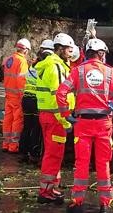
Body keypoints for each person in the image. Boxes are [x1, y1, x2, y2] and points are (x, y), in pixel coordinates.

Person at [57, 38, 113, 213]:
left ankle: (77, 202)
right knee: (103, 163)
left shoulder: (78, 71)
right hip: (103, 124)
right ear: (101, 53)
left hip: (82, 123)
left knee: (82, 163)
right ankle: (105, 203)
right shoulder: (110, 72)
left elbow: (61, 92)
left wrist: (66, 114)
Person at [35, 33, 77, 204]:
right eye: (68, 49)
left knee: (53, 154)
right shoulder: (55, 67)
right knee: (53, 155)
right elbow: (57, 96)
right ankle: (46, 192)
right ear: (59, 49)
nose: (70, 52)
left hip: (49, 116)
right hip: (56, 118)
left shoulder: (53, 64)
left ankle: (51, 187)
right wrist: (66, 120)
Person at [19, 39, 53, 163]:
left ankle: (22, 152)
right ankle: (34, 155)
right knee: (36, 129)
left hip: (26, 99)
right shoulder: (45, 67)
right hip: (37, 101)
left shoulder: (33, 65)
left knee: (26, 127)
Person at [1, 38, 32, 153]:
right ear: (26, 50)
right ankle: (13, 146)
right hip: (17, 96)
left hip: (8, 95)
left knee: (7, 119)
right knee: (17, 120)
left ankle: (5, 143)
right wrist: (23, 96)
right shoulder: (22, 62)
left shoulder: (9, 59)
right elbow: (21, 81)